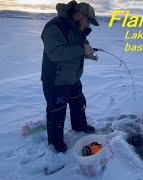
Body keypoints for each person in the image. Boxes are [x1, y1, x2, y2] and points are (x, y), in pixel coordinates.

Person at [40, 1, 99, 153]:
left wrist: (87, 54)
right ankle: (55, 142)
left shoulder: (78, 29)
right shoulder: (55, 26)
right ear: (79, 15)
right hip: (56, 80)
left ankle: (79, 126)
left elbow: (76, 50)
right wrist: (81, 48)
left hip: (73, 77)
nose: (88, 26)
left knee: (79, 103)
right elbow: (56, 53)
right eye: (88, 21)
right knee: (57, 112)